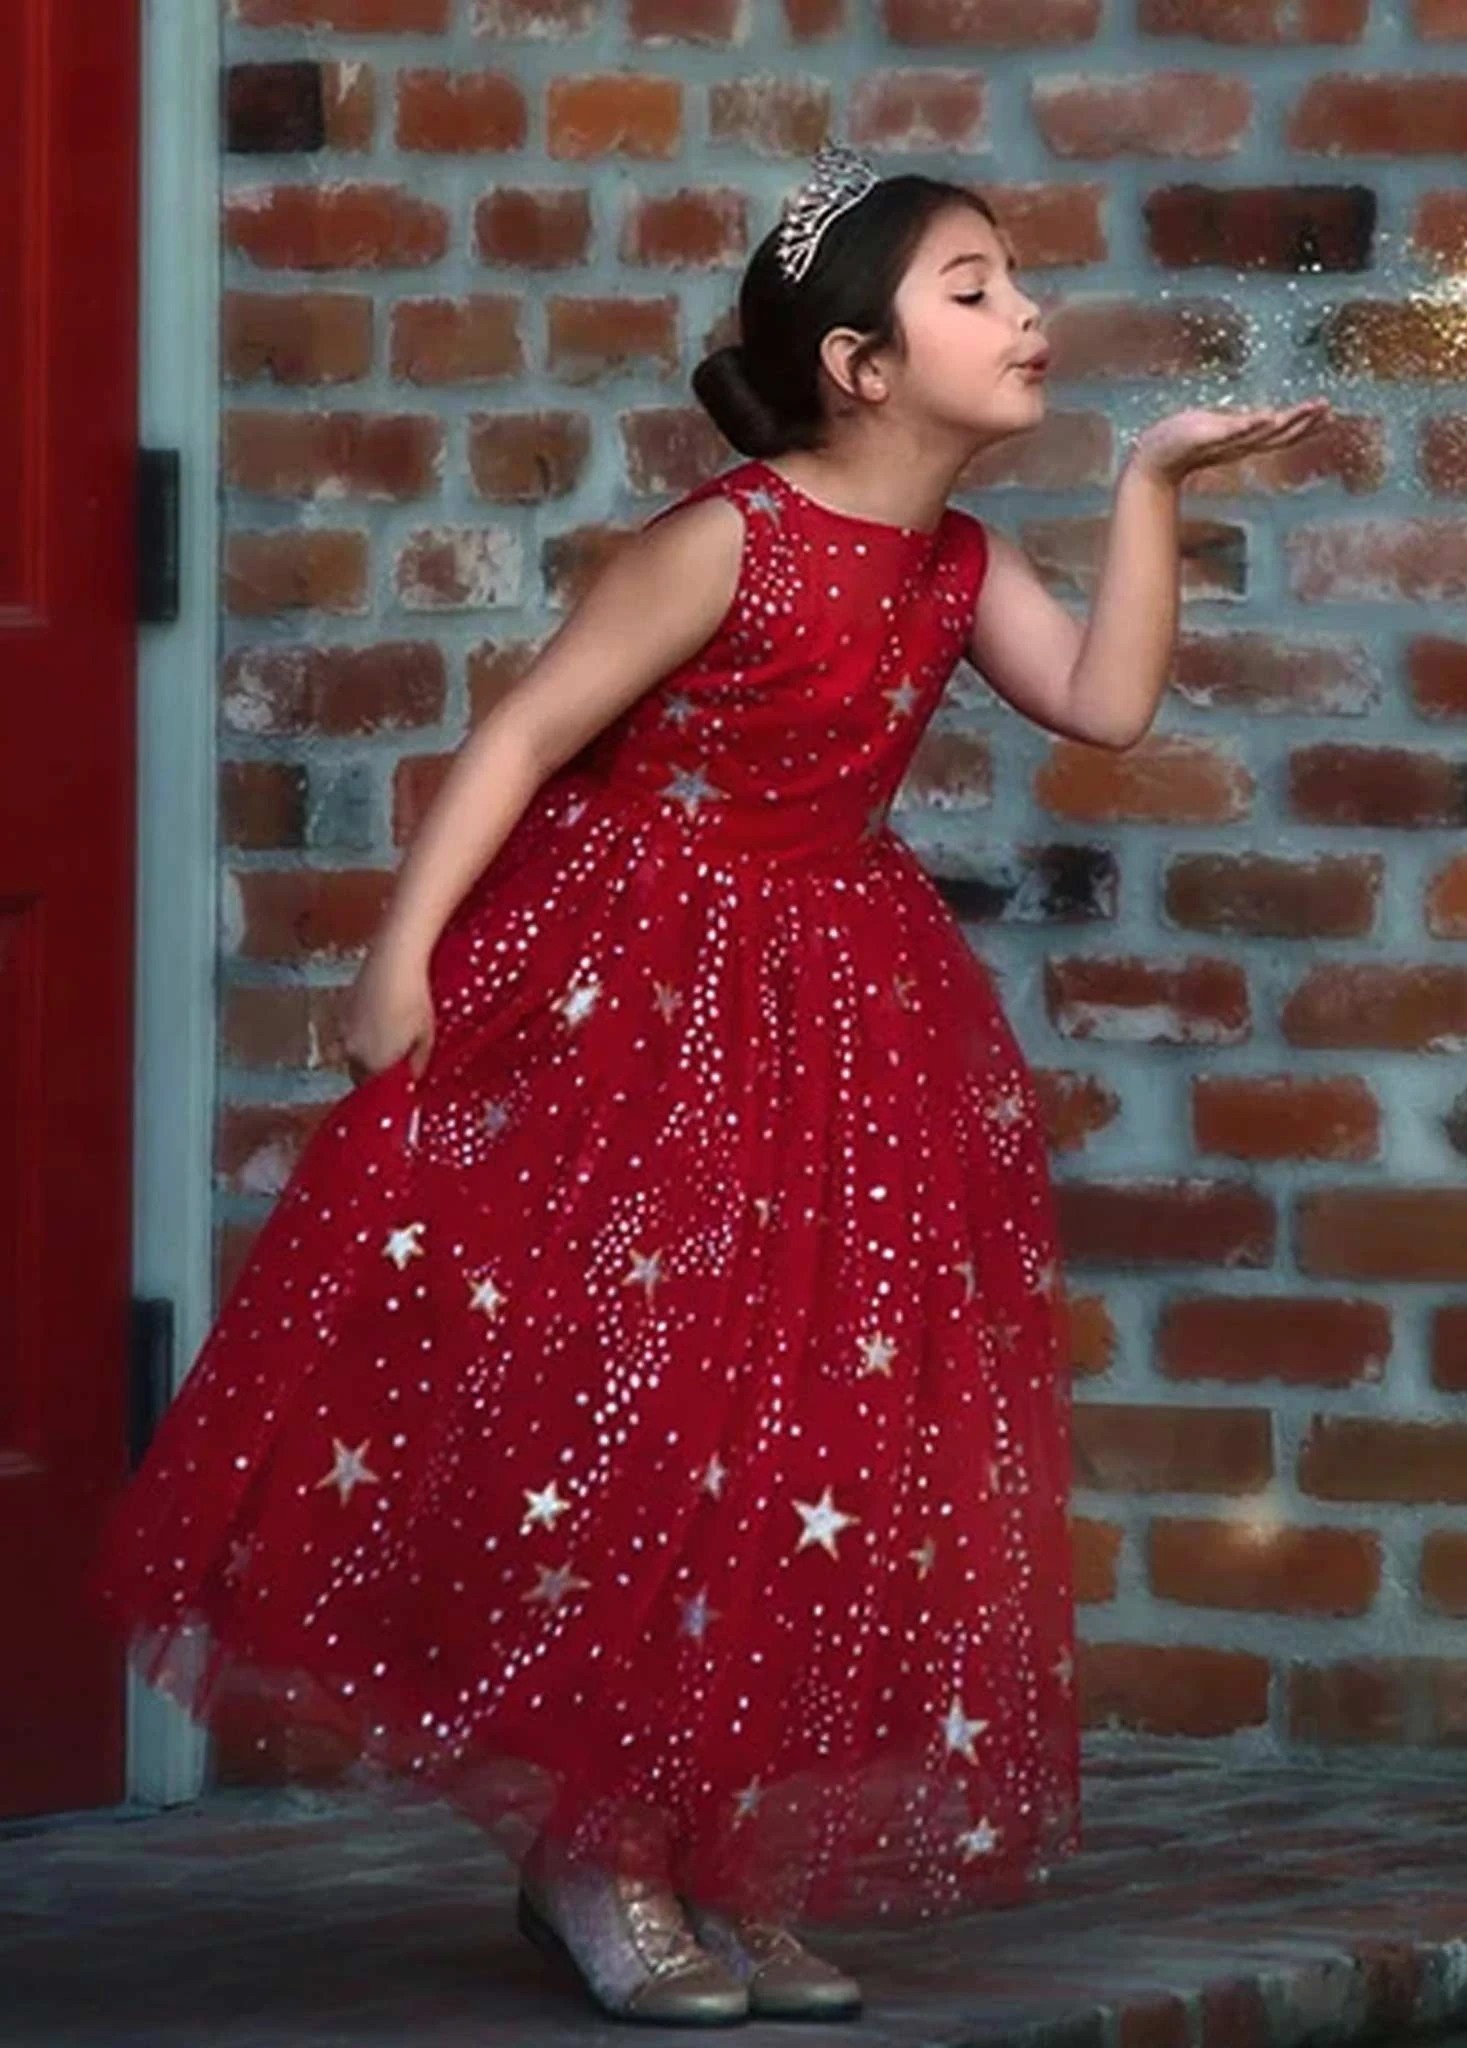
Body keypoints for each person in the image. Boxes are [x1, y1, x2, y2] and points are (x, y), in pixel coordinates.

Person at [86, 140, 1332, 2027]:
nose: (1030, 314)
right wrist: (399, 954)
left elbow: (1105, 703)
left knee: (796, 1433)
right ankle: (592, 1847)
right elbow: (527, 731)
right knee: (642, 1411)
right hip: (632, 1003)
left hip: (838, 1018)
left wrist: (1151, 479)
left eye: (1014, 282)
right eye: (976, 289)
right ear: (858, 365)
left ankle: (716, 1853)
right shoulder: (727, 541)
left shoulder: (959, 562)